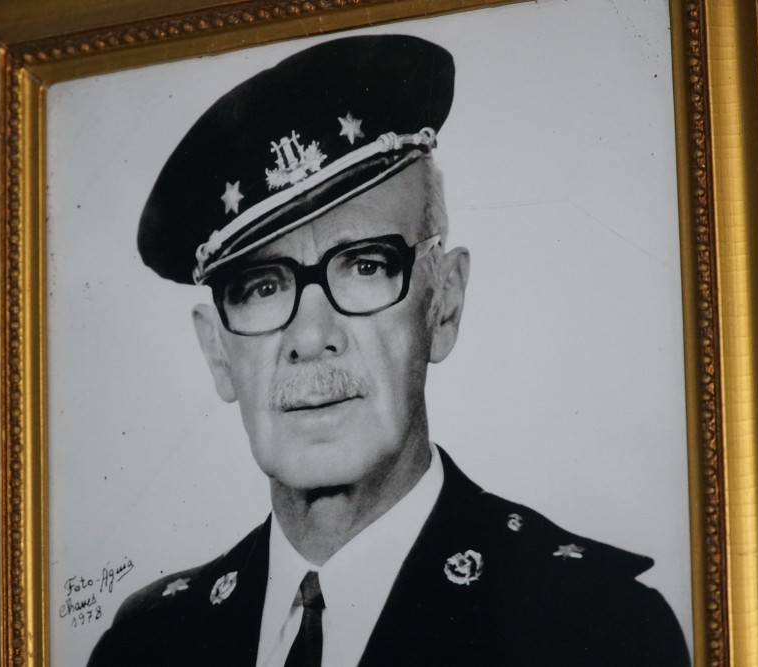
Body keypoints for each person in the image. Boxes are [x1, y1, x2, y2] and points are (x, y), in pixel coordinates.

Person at [88, 34, 690, 666]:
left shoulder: (596, 628)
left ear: (444, 303)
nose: (310, 337)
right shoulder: (146, 646)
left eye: (365, 267)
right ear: (218, 352)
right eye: (262, 287)